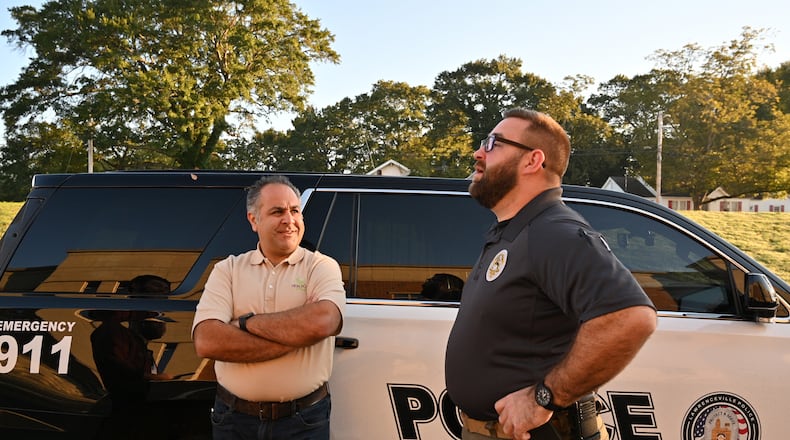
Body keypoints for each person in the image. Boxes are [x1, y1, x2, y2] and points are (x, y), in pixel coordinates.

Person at [444, 108, 657, 440]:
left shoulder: (553, 230)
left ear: (532, 161)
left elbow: (631, 317)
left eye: (493, 143)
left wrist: (544, 396)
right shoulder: (514, 231)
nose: (478, 151)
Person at [192, 175, 345, 440]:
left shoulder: (320, 266)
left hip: (303, 421)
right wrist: (298, 337)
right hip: (233, 421)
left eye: (295, 211)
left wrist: (243, 323)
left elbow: (323, 322)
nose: (289, 220)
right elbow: (207, 341)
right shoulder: (228, 270)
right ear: (254, 220)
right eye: (277, 212)